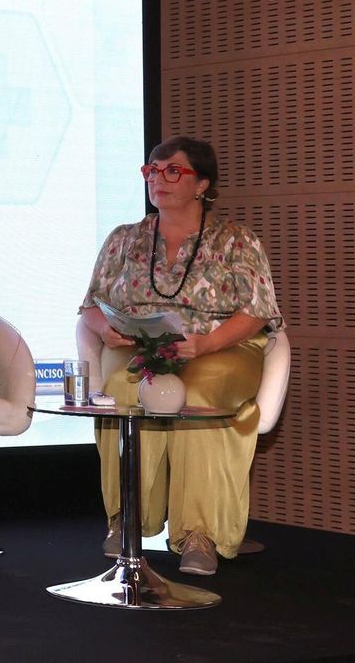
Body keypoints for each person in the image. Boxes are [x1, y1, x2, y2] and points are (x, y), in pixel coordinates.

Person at [78, 136, 281, 576]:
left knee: (201, 391)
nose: (158, 178)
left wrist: (205, 345)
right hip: (142, 347)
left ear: (202, 183)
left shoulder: (236, 240)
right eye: (152, 170)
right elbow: (90, 305)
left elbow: (258, 312)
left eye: (173, 170)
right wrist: (107, 330)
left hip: (221, 345)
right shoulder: (123, 239)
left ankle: (199, 534)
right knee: (123, 389)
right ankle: (127, 519)